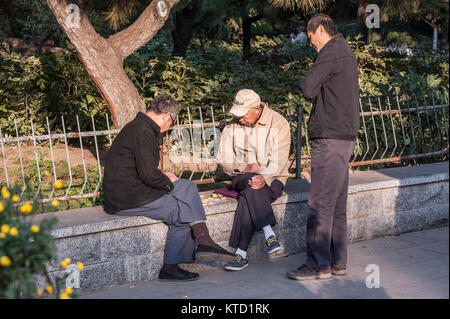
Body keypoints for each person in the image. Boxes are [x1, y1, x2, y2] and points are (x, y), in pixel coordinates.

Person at [102, 94, 234, 282]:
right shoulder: (142, 130)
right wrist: (168, 181)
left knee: (185, 192)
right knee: (182, 204)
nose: (170, 127)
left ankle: (196, 247)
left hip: (129, 191)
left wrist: (166, 179)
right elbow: (149, 174)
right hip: (127, 197)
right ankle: (199, 244)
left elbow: (145, 170)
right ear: (166, 114)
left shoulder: (141, 127)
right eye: (172, 122)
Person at [286, 14, 360, 281]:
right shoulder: (345, 51)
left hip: (329, 137)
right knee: (336, 203)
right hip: (343, 137)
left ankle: (317, 264)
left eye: (311, 36)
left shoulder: (330, 51)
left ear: (320, 30)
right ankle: (337, 262)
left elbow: (307, 87)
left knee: (319, 204)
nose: (310, 43)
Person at [218, 89, 291, 271]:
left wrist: (263, 176)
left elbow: (280, 159)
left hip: (272, 178)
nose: (239, 118)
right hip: (240, 177)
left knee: (249, 195)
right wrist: (245, 168)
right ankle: (268, 233)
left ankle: (241, 254)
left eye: (242, 115)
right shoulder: (231, 128)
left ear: (257, 109)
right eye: (237, 114)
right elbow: (225, 162)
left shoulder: (279, 123)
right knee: (250, 182)